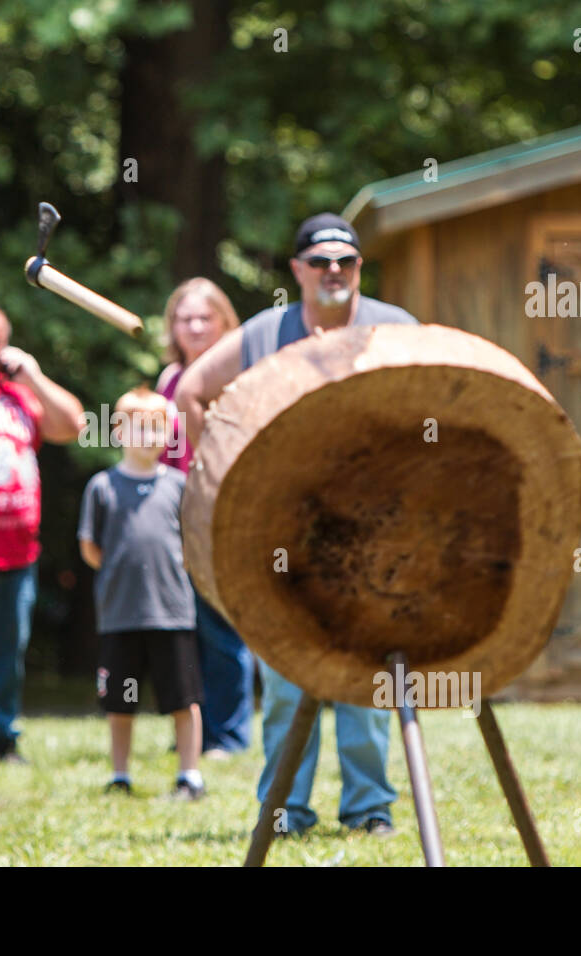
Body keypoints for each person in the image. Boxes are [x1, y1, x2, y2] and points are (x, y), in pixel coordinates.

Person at [176, 213, 418, 836]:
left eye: (346, 261)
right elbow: (191, 389)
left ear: (360, 267)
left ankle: (370, 809)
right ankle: (286, 808)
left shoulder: (396, 329)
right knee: (286, 674)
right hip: (284, 532)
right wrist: (224, 471)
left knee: (369, 671)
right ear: (298, 270)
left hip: (375, 530)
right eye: (320, 261)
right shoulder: (267, 332)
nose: (333, 271)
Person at [0, 303, 86, 763]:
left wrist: (31, 373)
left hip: (16, 554)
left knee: (4, 655)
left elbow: (73, 425)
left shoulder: (17, 395)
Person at [77, 387, 204, 799]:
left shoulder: (180, 486)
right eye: (140, 427)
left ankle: (190, 775)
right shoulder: (102, 486)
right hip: (120, 614)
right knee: (119, 702)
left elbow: (192, 546)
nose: (149, 437)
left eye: (158, 428)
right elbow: (90, 548)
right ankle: (120, 775)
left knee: (183, 700)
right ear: (118, 431)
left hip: (172, 613)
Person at [155, 278, 252, 758]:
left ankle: (229, 735)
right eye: (184, 318)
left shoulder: (238, 377)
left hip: (221, 510)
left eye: (204, 318)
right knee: (183, 625)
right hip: (174, 512)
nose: (193, 326)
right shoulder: (169, 379)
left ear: (224, 322)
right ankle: (194, 732)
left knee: (221, 624)